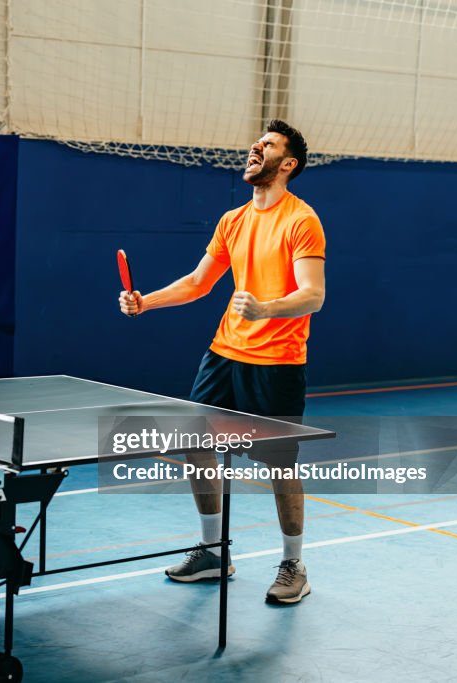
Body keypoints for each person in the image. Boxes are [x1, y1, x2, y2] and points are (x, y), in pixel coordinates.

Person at [118, 120, 325, 605]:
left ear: (287, 164)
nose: (256, 146)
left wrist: (266, 309)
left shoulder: (301, 220)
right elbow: (197, 282)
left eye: (268, 144)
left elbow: (313, 294)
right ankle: (213, 552)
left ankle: (294, 565)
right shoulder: (233, 220)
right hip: (224, 354)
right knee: (197, 446)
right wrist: (146, 301)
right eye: (257, 141)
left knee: (279, 465)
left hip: (276, 360)